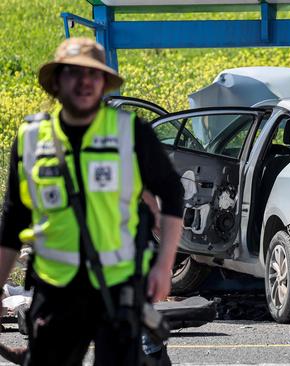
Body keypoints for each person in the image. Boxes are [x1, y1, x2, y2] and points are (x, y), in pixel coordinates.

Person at [0, 37, 184, 365]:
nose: (85, 81)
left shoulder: (131, 132)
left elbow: (172, 193)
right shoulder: (30, 138)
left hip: (118, 288)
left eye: (93, 74)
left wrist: (164, 266)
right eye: (74, 72)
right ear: (57, 81)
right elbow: (13, 219)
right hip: (55, 289)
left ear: (103, 83)